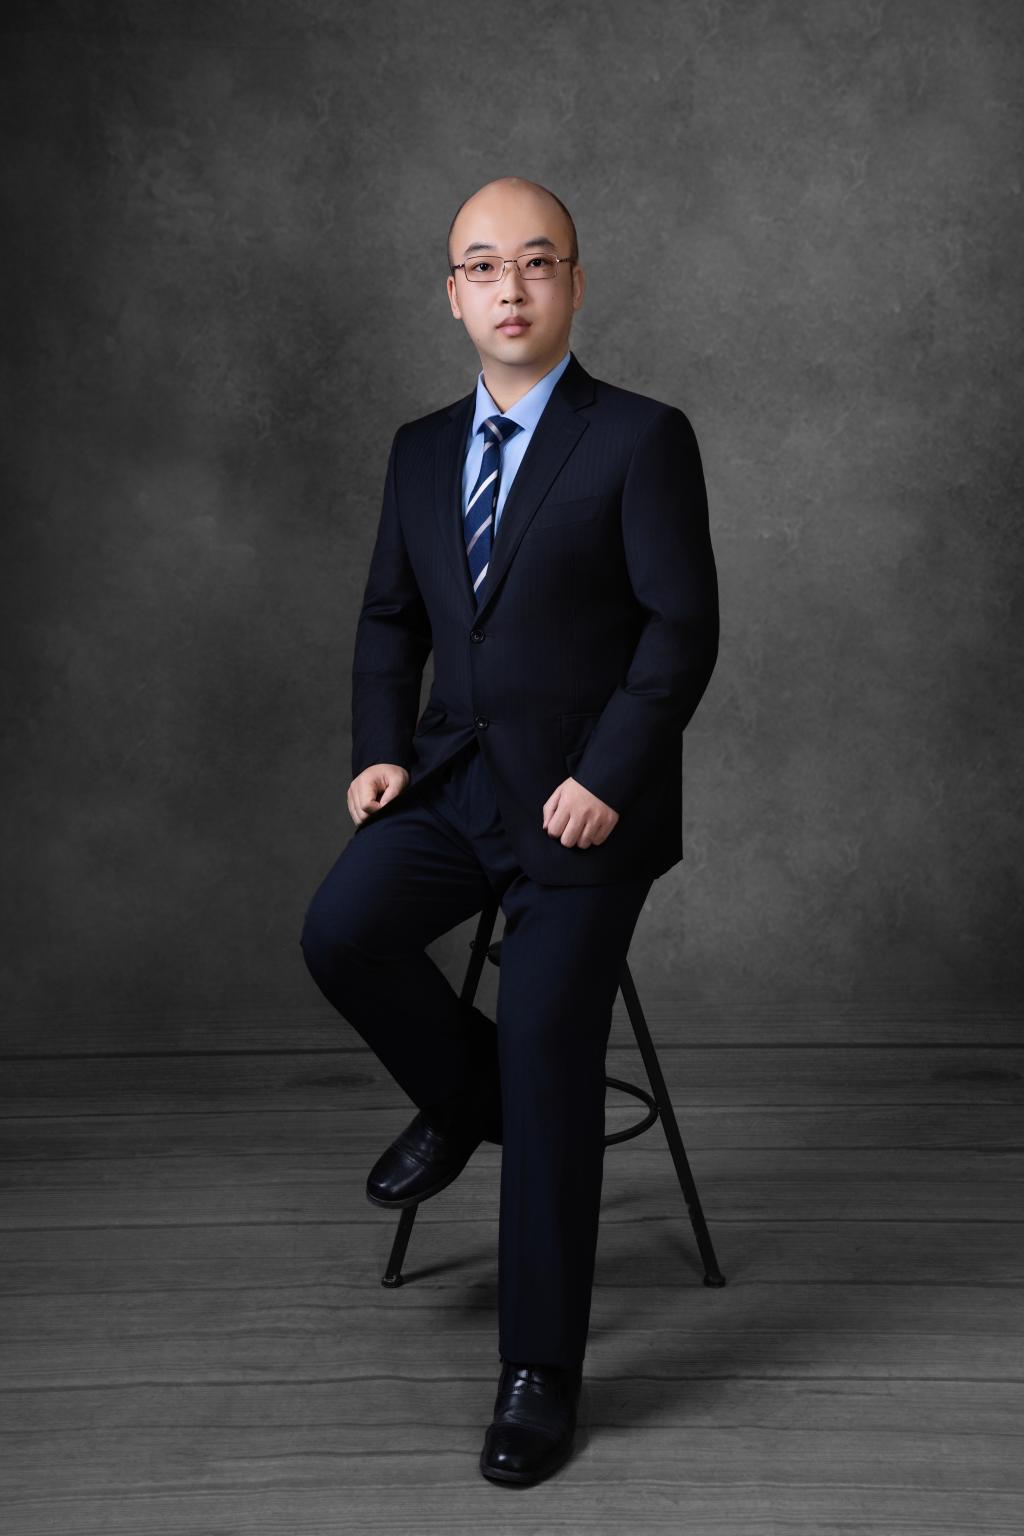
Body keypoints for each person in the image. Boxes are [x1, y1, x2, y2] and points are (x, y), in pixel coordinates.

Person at [300, 174, 720, 1486]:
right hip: (454, 785)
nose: (512, 288)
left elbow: (681, 630)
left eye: (538, 262)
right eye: (485, 267)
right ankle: (466, 1097)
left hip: (586, 809)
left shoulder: (641, 437)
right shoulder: (420, 448)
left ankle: (540, 1371)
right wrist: (381, 752)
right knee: (340, 933)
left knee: (550, 1059)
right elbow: (389, 620)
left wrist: (608, 776)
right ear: (454, 295)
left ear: (575, 283)